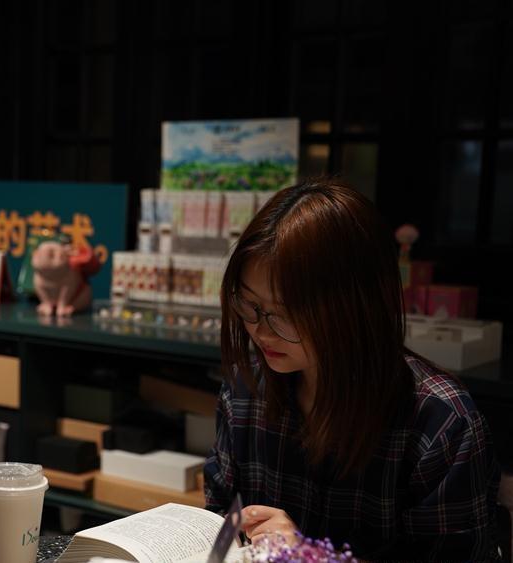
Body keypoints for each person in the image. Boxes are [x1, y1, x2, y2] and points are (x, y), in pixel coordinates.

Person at [204, 179, 501, 560]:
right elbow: (218, 524)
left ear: (353, 308)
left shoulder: (441, 425)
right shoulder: (246, 392)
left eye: (284, 313)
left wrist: (310, 556)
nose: (260, 330)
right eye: (248, 304)